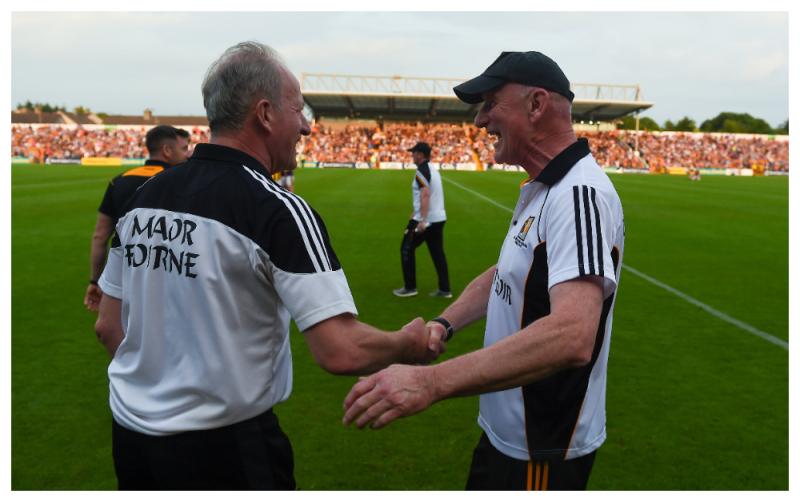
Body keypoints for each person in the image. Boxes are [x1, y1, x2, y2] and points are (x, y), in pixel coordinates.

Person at [94, 41, 445, 490]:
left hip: (132, 442)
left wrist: (157, 392)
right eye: (298, 110)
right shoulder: (277, 209)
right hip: (226, 453)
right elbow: (341, 349)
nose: (305, 127)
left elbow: (108, 326)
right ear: (264, 114)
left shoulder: (143, 198)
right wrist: (407, 345)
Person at [343, 51, 626, 491]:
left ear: (536, 105)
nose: (479, 120)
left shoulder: (579, 194)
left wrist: (430, 382)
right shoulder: (544, 187)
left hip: (540, 450)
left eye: (491, 103)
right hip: (509, 436)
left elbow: (573, 334)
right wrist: (445, 322)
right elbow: (508, 272)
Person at [83, 125, 190, 311]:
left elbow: (100, 236)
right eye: (183, 149)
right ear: (167, 150)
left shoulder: (119, 181)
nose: (186, 155)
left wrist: (95, 280)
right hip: (168, 280)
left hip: (123, 278)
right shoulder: (182, 181)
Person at [392, 141, 451, 298]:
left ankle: (410, 287)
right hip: (439, 218)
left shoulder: (421, 171)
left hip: (427, 220)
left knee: (406, 248)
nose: (412, 155)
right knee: (437, 253)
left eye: (414, 153)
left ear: (420, 154)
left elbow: (425, 193)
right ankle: (445, 289)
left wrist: (422, 220)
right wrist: (415, 211)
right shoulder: (432, 169)